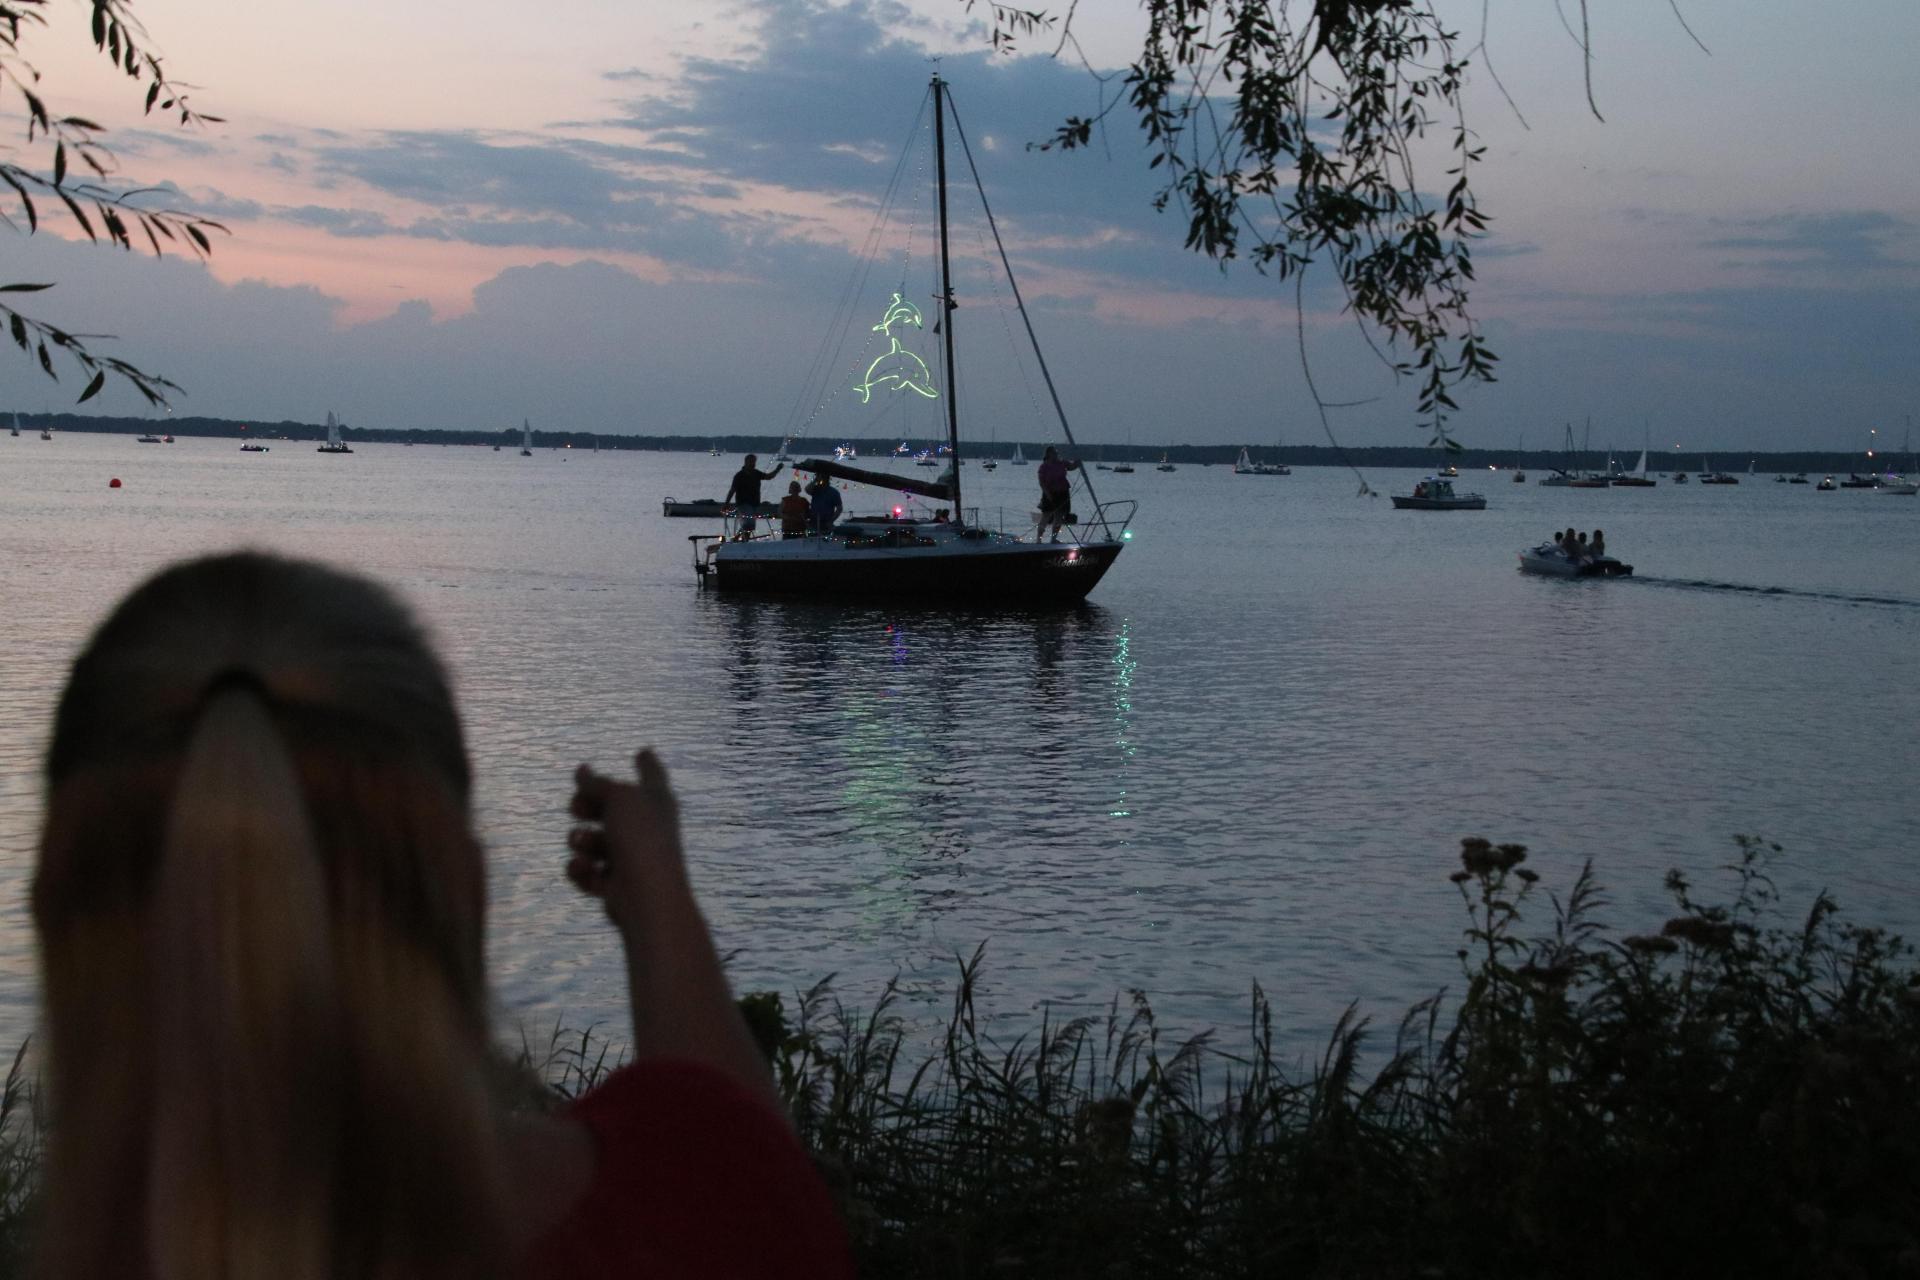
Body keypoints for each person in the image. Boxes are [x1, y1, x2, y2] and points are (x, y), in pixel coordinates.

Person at [30, 552, 851, 1279]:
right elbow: (733, 1161)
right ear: (469, 889)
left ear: (51, 908)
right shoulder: (703, 1223)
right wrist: (660, 901)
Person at [724, 453, 784, 539]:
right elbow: (732, 490)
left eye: (754, 462)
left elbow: (768, 477)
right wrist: (726, 504)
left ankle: (739, 540)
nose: (753, 464)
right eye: (751, 462)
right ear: (746, 462)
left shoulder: (756, 473)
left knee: (749, 526)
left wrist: (777, 469)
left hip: (754, 504)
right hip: (743, 504)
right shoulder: (739, 476)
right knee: (749, 524)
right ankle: (740, 540)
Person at [1036, 445, 1080, 543]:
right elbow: (1041, 482)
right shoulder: (1044, 467)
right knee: (1046, 516)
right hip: (1050, 493)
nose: (1056, 455)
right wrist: (1048, 494)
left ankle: (1053, 539)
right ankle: (1038, 539)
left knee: (1059, 516)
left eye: (1057, 453)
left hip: (1063, 492)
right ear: (1049, 454)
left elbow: (1071, 466)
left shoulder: (1062, 463)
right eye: (1054, 453)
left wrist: (1077, 462)